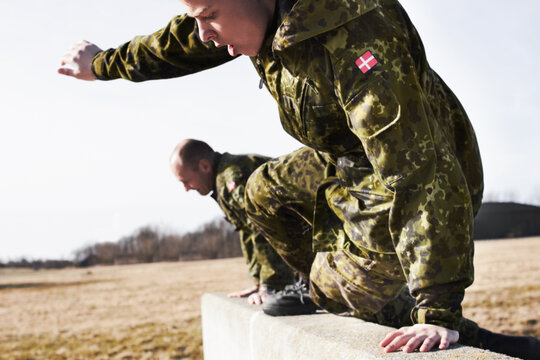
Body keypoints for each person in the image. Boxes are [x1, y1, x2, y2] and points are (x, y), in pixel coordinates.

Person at [58, 0, 540, 357]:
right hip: (346, 159)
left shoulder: (358, 36)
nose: (204, 35)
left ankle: (482, 340)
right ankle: (312, 282)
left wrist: (439, 309)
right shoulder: (252, 16)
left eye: (209, 16)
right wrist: (103, 65)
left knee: (339, 291)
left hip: (409, 176)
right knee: (258, 191)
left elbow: (418, 169)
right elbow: (179, 42)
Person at [169, 138, 295, 304]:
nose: (186, 188)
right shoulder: (222, 180)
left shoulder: (233, 177)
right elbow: (247, 231)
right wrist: (259, 283)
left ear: (204, 166)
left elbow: (263, 224)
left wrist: (271, 285)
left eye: (186, 181)